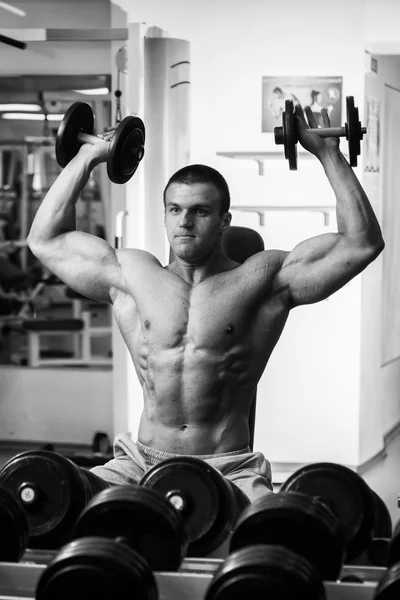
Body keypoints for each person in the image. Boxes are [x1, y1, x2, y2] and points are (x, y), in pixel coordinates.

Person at [26, 105, 385, 503]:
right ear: (164, 217)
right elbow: (47, 239)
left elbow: (361, 242)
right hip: (139, 462)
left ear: (225, 221)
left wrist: (327, 152)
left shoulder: (261, 279)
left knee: (274, 534)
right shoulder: (131, 275)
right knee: (53, 496)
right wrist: (87, 155)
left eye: (200, 211)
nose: (185, 222)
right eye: (175, 210)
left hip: (227, 466)